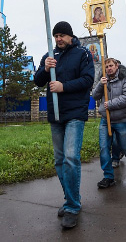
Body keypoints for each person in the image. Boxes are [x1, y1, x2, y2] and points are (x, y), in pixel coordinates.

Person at [33, 21, 94, 229]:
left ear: (70, 36)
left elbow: (88, 80)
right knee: (59, 160)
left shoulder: (83, 54)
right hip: (55, 114)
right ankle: (70, 199)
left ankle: (72, 207)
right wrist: (45, 68)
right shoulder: (49, 56)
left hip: (75, 112)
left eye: (62, 35)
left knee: (70, 157)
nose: (58, 39)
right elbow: (38, 81)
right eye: (55, 35)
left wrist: (63, 87)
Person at [92, 58, 126, 188]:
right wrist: (101, 84)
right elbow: (95, 96)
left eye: (111, 66)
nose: (109, 69)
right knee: (104, 148)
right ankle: (108, 176)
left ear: (117, 66)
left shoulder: (125, 79)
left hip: (121, 120)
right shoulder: (103, 80)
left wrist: (110, 104)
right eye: (107, 67)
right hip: (105, 120)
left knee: (125, 146)